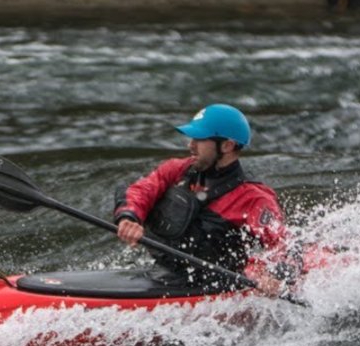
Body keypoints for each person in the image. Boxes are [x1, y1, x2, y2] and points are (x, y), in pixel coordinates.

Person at [113, 103, 300, 297]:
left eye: (199, 139)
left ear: (227, 146)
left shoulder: (254, 199)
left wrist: (276, 276)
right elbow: (141, 190)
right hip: (163, 275)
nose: (190, 145)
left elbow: (284, 246)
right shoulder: (178, 171)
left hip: (216, 288)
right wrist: (129, 218)